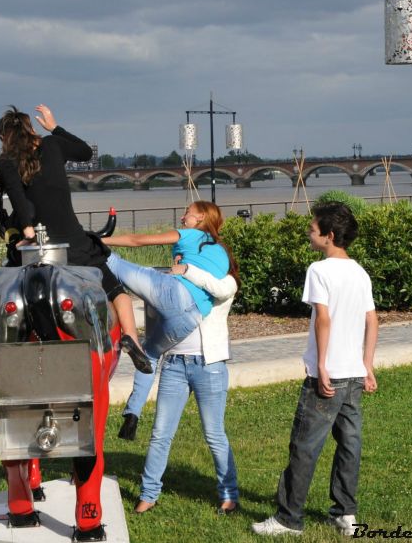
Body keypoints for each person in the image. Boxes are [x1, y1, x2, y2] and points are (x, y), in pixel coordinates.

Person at [0, 104, 151, 374]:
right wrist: (55, 126)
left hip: (35, 246)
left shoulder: (6, 162)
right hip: (73, 242)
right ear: (31, 129)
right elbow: (84, 151)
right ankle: (131, 339)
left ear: (3, 138)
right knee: (116, 290)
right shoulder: (53, 145)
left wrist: (27, 231)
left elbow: (20, 201)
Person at [251, 202, 379, 537]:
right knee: (350, 444)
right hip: (353, 374)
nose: (308, 232)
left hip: (328, 376)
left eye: (312, 228)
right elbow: (372, 321)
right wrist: (367, 366)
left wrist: (321, 367)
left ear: (329, 235)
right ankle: (345, 513)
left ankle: (288, 518)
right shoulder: (360, 272)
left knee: (305, 446)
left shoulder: (319, 271)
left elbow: (323, 319)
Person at [104, 201, 234, 440]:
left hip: (176, 296)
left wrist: (102, 241)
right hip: (190, 319)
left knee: (112, 261)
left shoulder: (191, 235)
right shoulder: (222, 251)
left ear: (201, 217)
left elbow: (138, 241)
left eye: (188, 213)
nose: (183, 217)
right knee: (149, 355)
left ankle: (85, 248)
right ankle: (132, 414)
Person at [132, 261, 240, 516]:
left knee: (214, 434)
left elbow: (220, 290)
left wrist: (189, 270)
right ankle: (149, 494)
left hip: (209, 366)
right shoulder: (177, 282)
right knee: (160, 433)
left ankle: (229, 495)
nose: (180, 259)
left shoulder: (225, 281)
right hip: (173, 365)